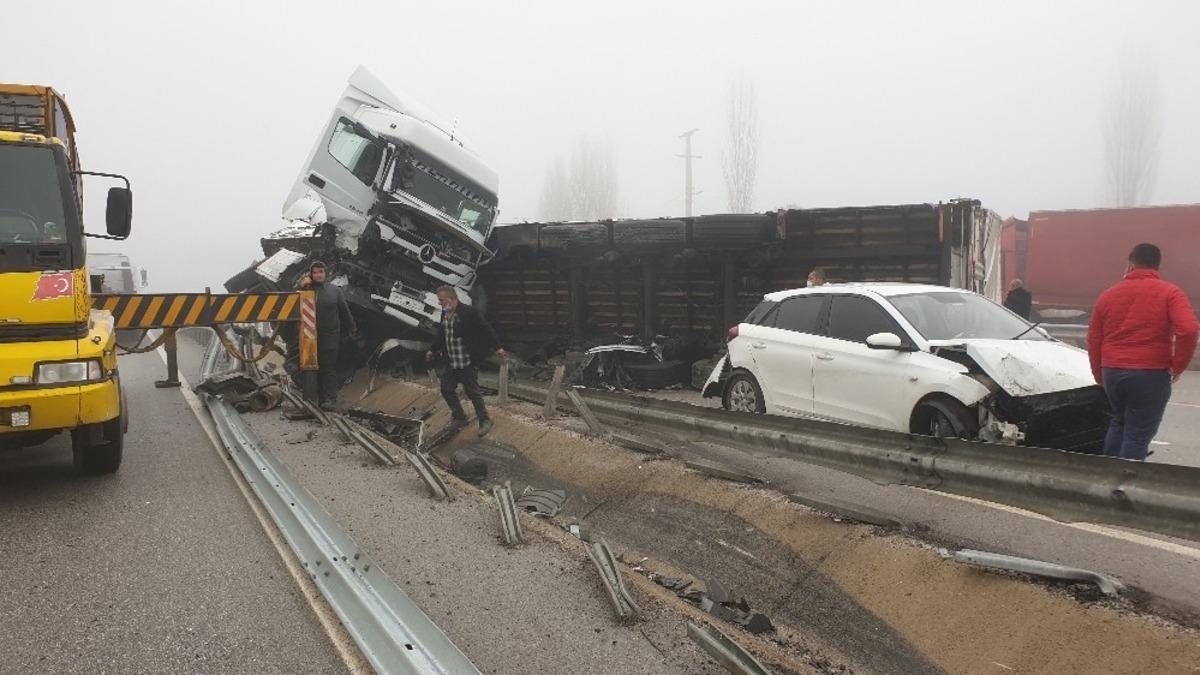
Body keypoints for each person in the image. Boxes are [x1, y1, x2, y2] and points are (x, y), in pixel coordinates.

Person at [1087, 243, 1198, 460]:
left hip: (1112, 371)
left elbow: (1094, 339)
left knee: (1118, 422)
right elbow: (1189, 329)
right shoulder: (1170, 293)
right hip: (1150, 373)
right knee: (1137, 433)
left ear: (1130, 263)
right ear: (1157, 265)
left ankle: (1106, 479)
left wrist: (1099, 374)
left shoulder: (1108, 295)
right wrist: (1177, 366)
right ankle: (1125, 486)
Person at [427, 285, 506, 437]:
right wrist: (433, 349)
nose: (439, 303)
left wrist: (497, 347)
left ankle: (485, 420)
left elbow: (486, 328)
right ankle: (459, 417)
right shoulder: (445, 313)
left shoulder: (468, 312)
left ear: (451, 299)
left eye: (441, 300)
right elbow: (442, 334)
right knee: (446, 388)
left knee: (472, 392)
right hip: (451, 361)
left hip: (467, 361)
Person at [297, 261, 357, 409]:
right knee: (310, 367)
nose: (318, 275)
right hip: (309, 337)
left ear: (326, 274)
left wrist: (352, 327)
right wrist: (302, 284)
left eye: (321, 272)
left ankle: (330, 399)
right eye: (315, 272)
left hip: (330, 336)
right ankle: (314, 399)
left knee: (328, 367)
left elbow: (344, 311)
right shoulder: (305, 291)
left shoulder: (334, 291)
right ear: (311, 275)